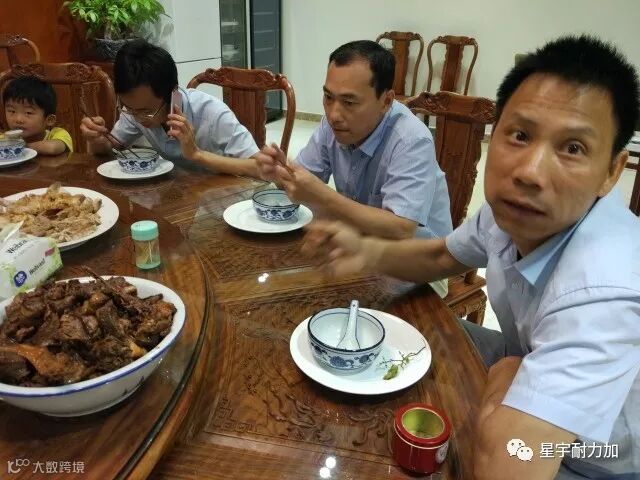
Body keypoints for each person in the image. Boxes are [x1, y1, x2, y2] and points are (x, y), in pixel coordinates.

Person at [303, 35, 640, 479]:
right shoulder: (508, 215)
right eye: (520, 135)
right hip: (519, 361)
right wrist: (366, 250)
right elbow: (440, 256)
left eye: (572, 148)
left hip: (593, 459)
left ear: (612, 171)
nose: (530, 173)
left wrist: (507, 381)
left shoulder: (602, 292)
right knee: (382, 339)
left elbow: (510, 464)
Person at [255, 40, 452, 241]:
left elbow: (401, 229)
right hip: (359, 240)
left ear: (386, 101)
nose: (334, 115)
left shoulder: (411, 140)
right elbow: (302, 184)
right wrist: (280, 173)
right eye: (328, 97)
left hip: (415, 254)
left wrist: (323, 195)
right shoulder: (332, 126)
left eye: (349, 102)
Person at [80, 39, 260, 176]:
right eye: (128, 108)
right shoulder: (135, 109)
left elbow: (260, 167)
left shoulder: (211, 113)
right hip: (176, 193)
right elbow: (112, 148)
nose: (139, 118)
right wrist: (96, 140)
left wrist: (197, 154)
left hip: (221, 195)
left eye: (147, 111)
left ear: (174, 94)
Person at [3, 76, 73, 155]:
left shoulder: (57, 134)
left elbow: (52, 148)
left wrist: (20, 148)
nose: (18, 119)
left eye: (28, 112)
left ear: (49, 120)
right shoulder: (5, 139)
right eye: (12, 111)